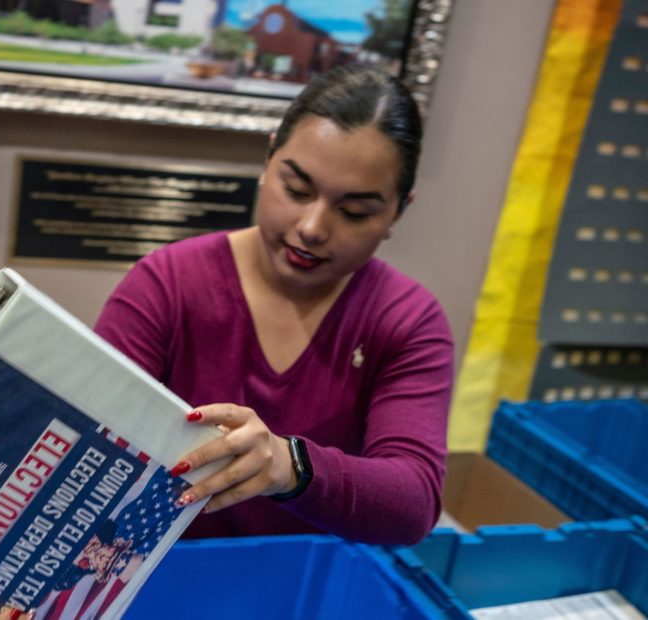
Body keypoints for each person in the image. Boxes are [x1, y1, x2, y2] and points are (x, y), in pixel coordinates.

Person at [94, 65, 453, 546]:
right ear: (268, 162)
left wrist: (292, 467)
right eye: (297, 190)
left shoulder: (406, 322)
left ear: (397, 213)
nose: (312, 227)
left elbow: (412, 502)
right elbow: (86, 442)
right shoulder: (168, 285)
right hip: (153, 571)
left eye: (355, 211)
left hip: (304, 579)